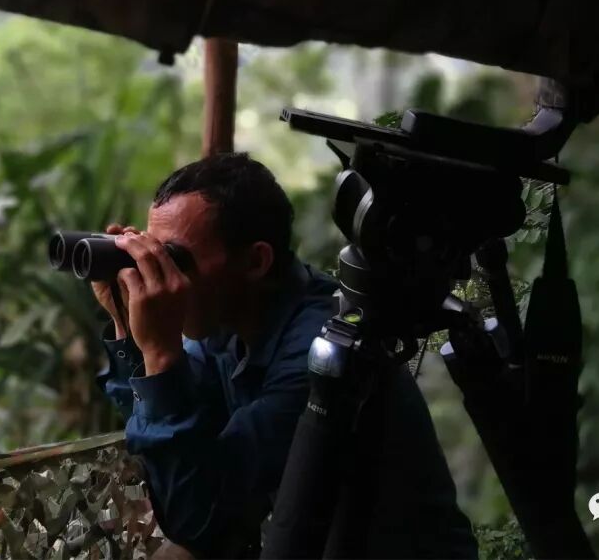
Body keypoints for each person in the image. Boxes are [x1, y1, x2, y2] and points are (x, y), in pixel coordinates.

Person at [93, 152, 478, 558]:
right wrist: (126, 324)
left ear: (255, 261)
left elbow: (197, 519)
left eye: (175, 259)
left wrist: (159, 351)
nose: (164, 276)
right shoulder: (224, 325)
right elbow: (172, 435)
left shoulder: (325, 351)